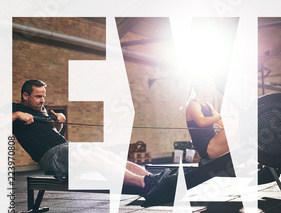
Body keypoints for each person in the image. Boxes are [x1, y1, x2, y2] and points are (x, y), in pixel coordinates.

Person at [11, 79, 170, 198]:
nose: (42, 101)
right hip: (49, 155)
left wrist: (59, 122)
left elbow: (54, 135)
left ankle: (150, 178)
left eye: (43, 97)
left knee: (108, 155)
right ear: (25, 95)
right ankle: (145, 185)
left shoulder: (41, 110)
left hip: (63, 147)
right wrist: (17, 115)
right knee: (95, 159)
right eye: (38, 97)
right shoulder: (14, 109)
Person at [186, 82, 228, 160]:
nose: (213, 89)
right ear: (201, 87)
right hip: (206, 148)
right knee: (234, 130)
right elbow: (202, 122)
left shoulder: (209, 106)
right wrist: (224, 115)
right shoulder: (193, 105)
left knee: (236, 128)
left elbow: (223, 124)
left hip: (214, 142)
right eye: (211, 86)